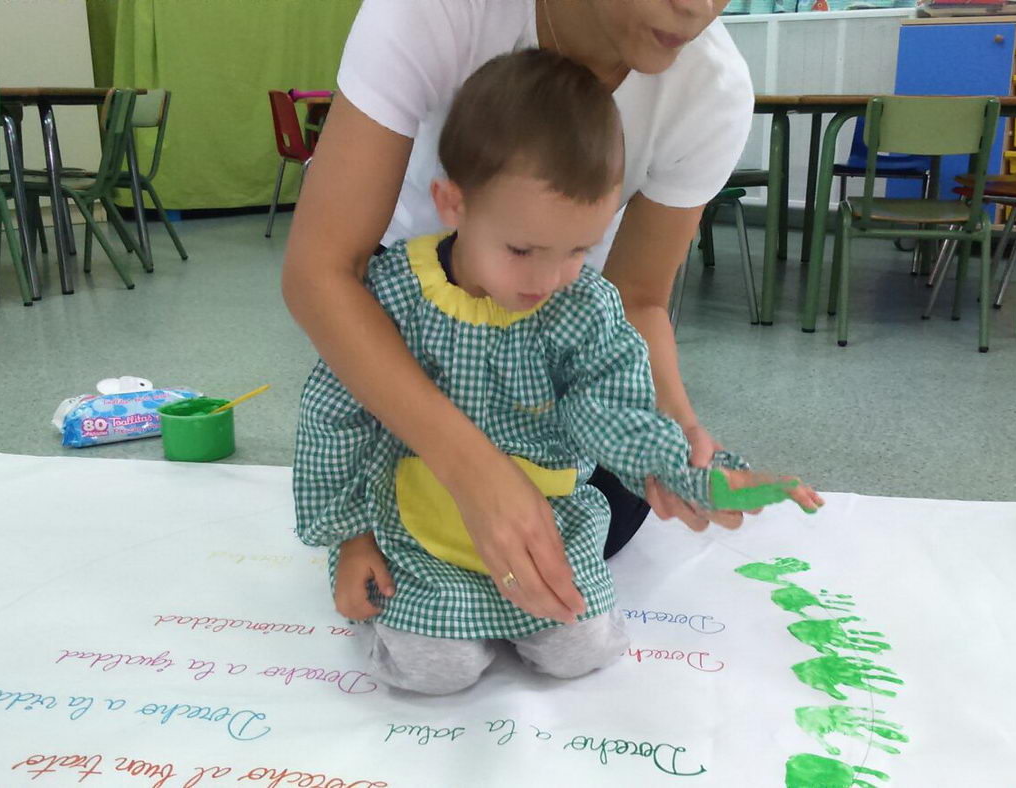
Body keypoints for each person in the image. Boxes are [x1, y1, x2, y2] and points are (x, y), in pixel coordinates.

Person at [294, 50, 815, 695]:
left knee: (581, 648)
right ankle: (435, 619)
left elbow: (613, 413)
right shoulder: (396, 294)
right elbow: (333, 415)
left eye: (576, 250)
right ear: (452, 203)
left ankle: (516, 615)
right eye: (522, 251)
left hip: (550, 523)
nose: (547, 281)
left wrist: (692, 468)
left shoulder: (582, 308)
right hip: (422, 537)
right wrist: (349, 539)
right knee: (434, 672)